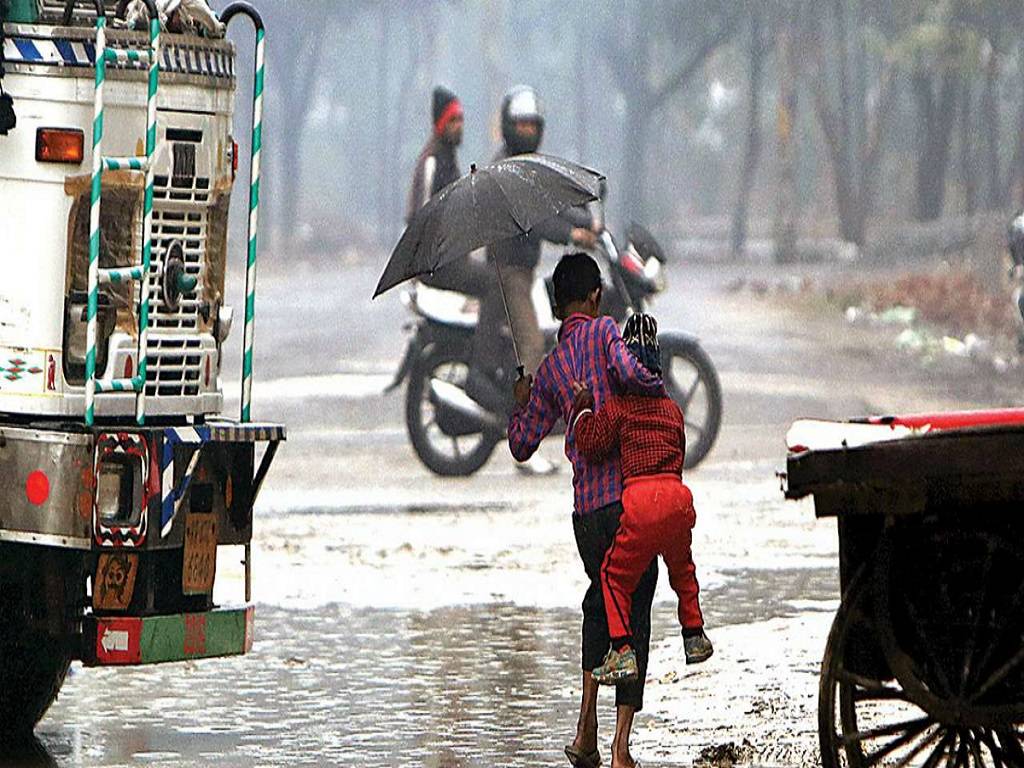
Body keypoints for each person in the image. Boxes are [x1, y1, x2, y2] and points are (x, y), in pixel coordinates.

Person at [508, 252, 662, 768]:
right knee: (632, 607)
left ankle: (585, 726)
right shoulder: (604, 335)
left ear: (557, 304)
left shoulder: (550, 369)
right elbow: (635, 377)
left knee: (601, 601)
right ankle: (619, 745)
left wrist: (522, 397)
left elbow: (521, 443)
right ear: (595, 296)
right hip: (626, 503)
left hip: (585, 517)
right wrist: (652, 376)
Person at [570, 313, 714, 686]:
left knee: (612, 577)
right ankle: (694, 633)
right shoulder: (672, 411)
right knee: (682, 570)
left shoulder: (619, 409)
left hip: (640, 500)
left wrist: (583, 408)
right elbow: (680, 452)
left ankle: (621, 651)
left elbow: (592, 444)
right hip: (678, 499)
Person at [466, 85, 598, 415]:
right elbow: (533, 221)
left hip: (524, 271)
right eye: (521, 125)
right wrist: (572, 234)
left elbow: (549, 202)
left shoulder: (527, 165)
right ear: (510, 127)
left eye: (532, 125)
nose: (527, 131)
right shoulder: (506, 170)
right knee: (532, 344)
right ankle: (528, 427)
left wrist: (584, 214)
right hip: (509, 272)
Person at [406, 86, 493, 300]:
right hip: (435, 265)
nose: (459, 126)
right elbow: (420, 216)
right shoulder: (432, 162)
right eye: (453, 120)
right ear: (442, 124)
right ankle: (487, 335)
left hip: (451, 258)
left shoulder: (449, 159)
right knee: (494, 282)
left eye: (461, 119)